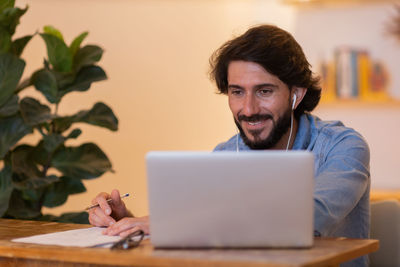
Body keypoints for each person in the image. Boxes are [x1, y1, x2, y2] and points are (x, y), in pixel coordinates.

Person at [89, 25, 370, 266]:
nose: (248, 108)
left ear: (296, 94)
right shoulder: (224, 156)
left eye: (264, 91)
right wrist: (128, 224)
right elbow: (199, 235)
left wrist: (181, 224)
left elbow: (305, 219)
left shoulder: (343, 147)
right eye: (237, 92)